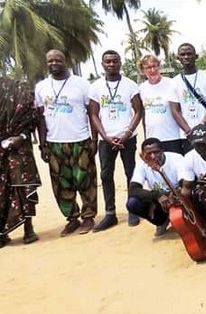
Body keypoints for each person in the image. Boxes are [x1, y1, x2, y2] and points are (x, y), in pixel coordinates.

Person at [35, 49, 98, 236]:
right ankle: (72, 218)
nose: (54, 63)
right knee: (61, 185)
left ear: (65, 62)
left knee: (86, 180)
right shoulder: (41, 87)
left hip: (80, 140)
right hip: (54, 143)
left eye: (58, 60)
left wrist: (94, 139)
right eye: (50, 60)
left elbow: (92, 113)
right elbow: (40, 118)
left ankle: (88, 217)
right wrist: (43, 144)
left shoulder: (81, 84)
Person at [88, 50, 143, 231]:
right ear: (102, 64)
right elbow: (93, 114)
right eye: (108, 61)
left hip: (128, 138)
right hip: (107, 139)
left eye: (115, 61)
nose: (111, 64)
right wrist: (104, 136)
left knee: (131, 173)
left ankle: (133, 208)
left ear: (120, 63)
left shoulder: (130, 85)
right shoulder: (95, 87)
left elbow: (138, 111)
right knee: (106, 175)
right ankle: (110, 213)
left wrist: (127, 133)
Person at [0, 77, 40, 247]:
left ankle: (28, 229)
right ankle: (2, 233)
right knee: (1, 190)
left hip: (20, 146)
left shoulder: (18, 89)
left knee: (24, 186)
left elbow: (32, 118)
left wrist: (21, 136)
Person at [126, 137, 186, 237]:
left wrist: (170, 195)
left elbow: (184, 184)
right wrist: (157, 195)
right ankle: (161, 221)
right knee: (132, 203)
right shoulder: (141, 164)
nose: (153, 156)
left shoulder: (176, 158)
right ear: (143, 154)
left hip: (177, 198)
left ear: (162, 150)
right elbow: (133, 190)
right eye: (148, 154)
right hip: (160, 202)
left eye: (156, 152)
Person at [170, 43, 206, 154]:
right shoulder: (174, 82)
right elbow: (175, 110)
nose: (186, 57)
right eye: (183, 54)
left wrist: (201, 126)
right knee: (191, 162)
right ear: (178, 58)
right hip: (187, 135)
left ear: (195, 56)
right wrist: (188, 130)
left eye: (189, 54)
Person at [138, 54, 183, 154]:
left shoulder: (172, 84)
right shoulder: (141, 88)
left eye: (154, 66)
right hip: (153, 139)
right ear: (143, 70)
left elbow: (179, 110)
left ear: (159, 66)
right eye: (148, 67)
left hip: (173, 137)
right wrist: (146, 137)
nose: (152, 70)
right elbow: (144, 115)